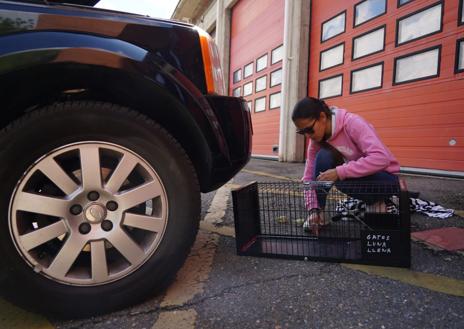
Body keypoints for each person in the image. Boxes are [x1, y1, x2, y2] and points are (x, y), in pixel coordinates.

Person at [292, 97, 400, 235]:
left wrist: (340, 171)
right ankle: (319, 214)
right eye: (302, 132)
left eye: (309, 129)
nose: (307, 135)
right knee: (324, 157)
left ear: (322, 117)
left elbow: (381, 158)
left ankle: (377, 201)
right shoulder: (316, 141)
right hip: (363, 178)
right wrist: (313, 208)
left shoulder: (352, 123)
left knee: (339, 177)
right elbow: (308, 177)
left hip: (386, 179)